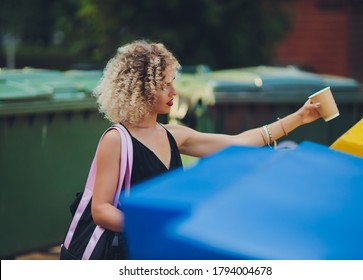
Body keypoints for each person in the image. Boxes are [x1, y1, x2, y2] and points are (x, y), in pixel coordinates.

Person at [91, 39, 321, 259]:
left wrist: (299, 118)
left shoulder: (175, 135)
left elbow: (239, 142)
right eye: (164, 85)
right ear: (141, 89)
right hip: (127, 254)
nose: (174, 91)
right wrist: (150, 226)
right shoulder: (117, 140)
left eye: (173, 82)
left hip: (159, 250)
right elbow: (100, 209)